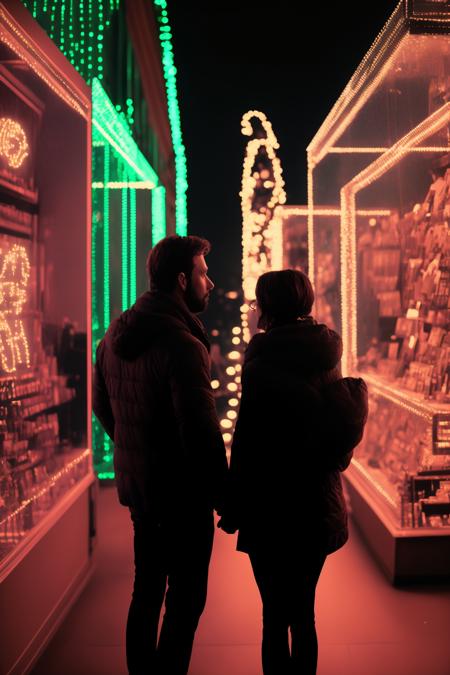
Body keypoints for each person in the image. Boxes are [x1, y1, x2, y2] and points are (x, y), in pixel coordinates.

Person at [219, 269, 367, 675]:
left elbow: (247, 442)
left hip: (269, 507)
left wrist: (233, 507)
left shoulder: (260, 359)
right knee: (304, 614)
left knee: (273, 617)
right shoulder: (324, 352)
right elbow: (335, 423)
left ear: (268, 307)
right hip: (316, 502)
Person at [93, 235, 228, 675]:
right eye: (204, 273)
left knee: (146, 591)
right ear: (182, 279)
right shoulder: (183, 346)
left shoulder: (113, 336)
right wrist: (226, 498)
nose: (210, 282)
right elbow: (202, 434)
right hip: (183, 499)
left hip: (142, 492)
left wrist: (134, 448)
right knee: (186, 602)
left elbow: (102, 407)